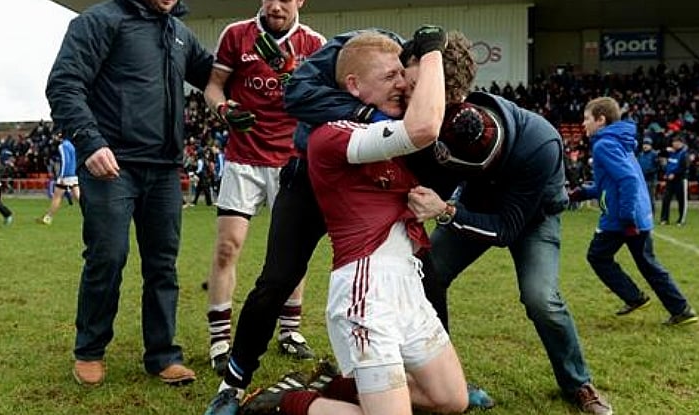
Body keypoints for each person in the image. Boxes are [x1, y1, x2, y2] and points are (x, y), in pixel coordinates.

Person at [286, 31, 612, 414]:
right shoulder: (429, 120)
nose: (403, 94)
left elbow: (507, 229)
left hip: (531, 214)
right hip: (390, 263)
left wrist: (445, 211)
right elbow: (322, 103)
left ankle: (578, 382)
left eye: (409, 87)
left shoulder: (538, 143)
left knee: (541, 297)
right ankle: (398, 371)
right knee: (432, 268)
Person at [202, 29, 495, 415]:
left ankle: (413, 378)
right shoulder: (366, 49)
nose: (405, 91)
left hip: (376, 173)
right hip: (316, 174)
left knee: (429, 272)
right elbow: (298, 93)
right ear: (412, 63)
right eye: (403, 82)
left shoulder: (415, 93)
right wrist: (370, 115)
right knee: (277, 280)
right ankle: (235, 385)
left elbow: (426, 136)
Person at [45, 0, 214, 386]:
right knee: (108, 256)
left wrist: (261, 61)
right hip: (111, 164)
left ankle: (162, 355)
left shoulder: (179, 34)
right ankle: (89, 350)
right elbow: (64, 85)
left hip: (164, 169)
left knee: (163, 264)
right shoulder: (98, 22)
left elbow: (215, 75)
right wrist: (90, 142)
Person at [202, 0, 325, 377]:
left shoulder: (315, 44)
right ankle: (220, 341)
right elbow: (213, 86)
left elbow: (323, 103)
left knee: (292, 253)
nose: (274, 6)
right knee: (227, 248)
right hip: (243, 157)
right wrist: (222, 108)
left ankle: (289, 331)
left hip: (292, 160)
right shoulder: (236, 34)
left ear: (300, 0)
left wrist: (293, 75)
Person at [569, 97, 699, 327]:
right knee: (648, 264)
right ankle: (682, 309)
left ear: (601, 120)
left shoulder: (604, 145)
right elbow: (609, 183)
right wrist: (582, 192)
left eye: (587, 118)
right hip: (637, 213)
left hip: (622, 217)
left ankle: (634, 297)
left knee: (597, 256)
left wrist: (627, 218)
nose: (583, 123)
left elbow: (628, 179)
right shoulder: (617, 141)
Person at [37, 135, 81, 225]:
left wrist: (61, 176)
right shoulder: (72, 145)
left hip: (66, 175)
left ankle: (48, 218)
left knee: (57, 197)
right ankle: (93, 214)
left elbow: (65, 161)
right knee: (78, 197)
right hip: (73, 174)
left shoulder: (62, 145)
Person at [659, 134, 690, 226]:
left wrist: (675, 174)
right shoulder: (672, 152)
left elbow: (684, 167)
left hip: (680, 180)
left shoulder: (684, 153)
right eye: (673, 142)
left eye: (677, 142)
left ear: (681, 143)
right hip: (670, 180)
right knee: (666, 199)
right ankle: (664, 219)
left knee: (681, 201)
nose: (674, 144)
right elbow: (661, 155)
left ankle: (681, 220)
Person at [637, 137, 659, 214]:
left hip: (651, 180)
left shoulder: (654, 154)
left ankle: (651, 214)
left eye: (647, 144)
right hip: (641, 179)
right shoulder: (640, 154)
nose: (645, 146)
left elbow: (657, 167)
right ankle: (643, 213)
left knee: (650, 198)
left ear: (651, 146)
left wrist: (648, 172)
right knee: (641, 197)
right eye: (644, 144)